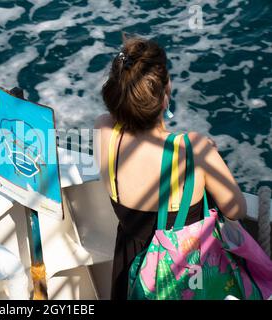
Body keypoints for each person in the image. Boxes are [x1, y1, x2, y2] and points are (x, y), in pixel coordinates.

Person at [94, 36, 247, 300]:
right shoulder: (193, 149)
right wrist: (200, 152)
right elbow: (237, 209)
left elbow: (119, 120)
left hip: (131, 273)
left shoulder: (104, 131)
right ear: (166, 93)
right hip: (186, 278)